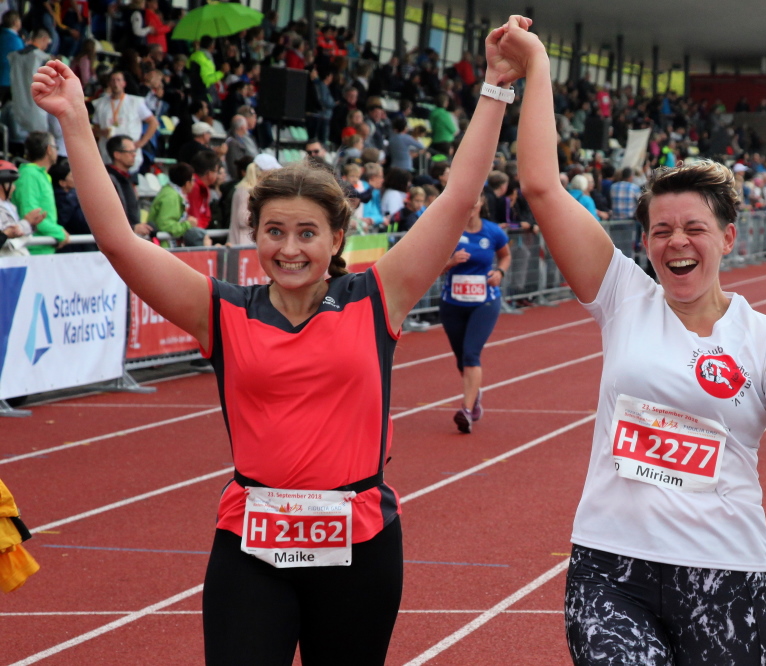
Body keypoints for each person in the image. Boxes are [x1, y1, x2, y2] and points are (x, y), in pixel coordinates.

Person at [31, 14, 525, 662]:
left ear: (337, 238)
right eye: (274, 232)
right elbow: (121, 244)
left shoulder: (378, 297)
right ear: (255, 235)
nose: (289, 249)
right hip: (250, 546)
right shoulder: (222, 311)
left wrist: (495, 87)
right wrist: (74, 119)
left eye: (307, 233)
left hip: (360, 546)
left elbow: (459, 198)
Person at [505, 21, 766, 665]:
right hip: (611, 569)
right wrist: (536, 66)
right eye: (661, 230)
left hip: (725, 574)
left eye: (694, 228)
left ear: (728, 238)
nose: (676, 241)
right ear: (645, 242)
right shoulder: (622, 297)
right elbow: (541, 186)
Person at [439, 188, 511, 433]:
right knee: (461, 359)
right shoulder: (449, 231)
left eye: (475, 200)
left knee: (471, 354)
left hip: (484, 302)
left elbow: (505, 256)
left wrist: (499, 272)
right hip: (452, 303)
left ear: (481, 203)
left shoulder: (493, 231)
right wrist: (450, 262)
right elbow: (432, 266)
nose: (471, 205)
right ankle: (475, 394)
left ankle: (466, 411)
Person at [91, 70, 156, 173]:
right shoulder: (101, 103)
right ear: (109, 83)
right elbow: (94, 129)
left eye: (118, 80)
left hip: (130, 154)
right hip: (108, 154)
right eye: (113, 80)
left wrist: (141, 143)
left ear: (124, 83)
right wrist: (102, 132)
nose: (115, 83)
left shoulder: (135, 102)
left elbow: (153, 122)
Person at [11, 131, 66, 254]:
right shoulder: (29, 175)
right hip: (33, 250)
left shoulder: (39, 174)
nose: (57, 151)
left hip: (44, 247)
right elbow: (31, 214)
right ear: (49, 150)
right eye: (56, 147)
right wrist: (59, 232)